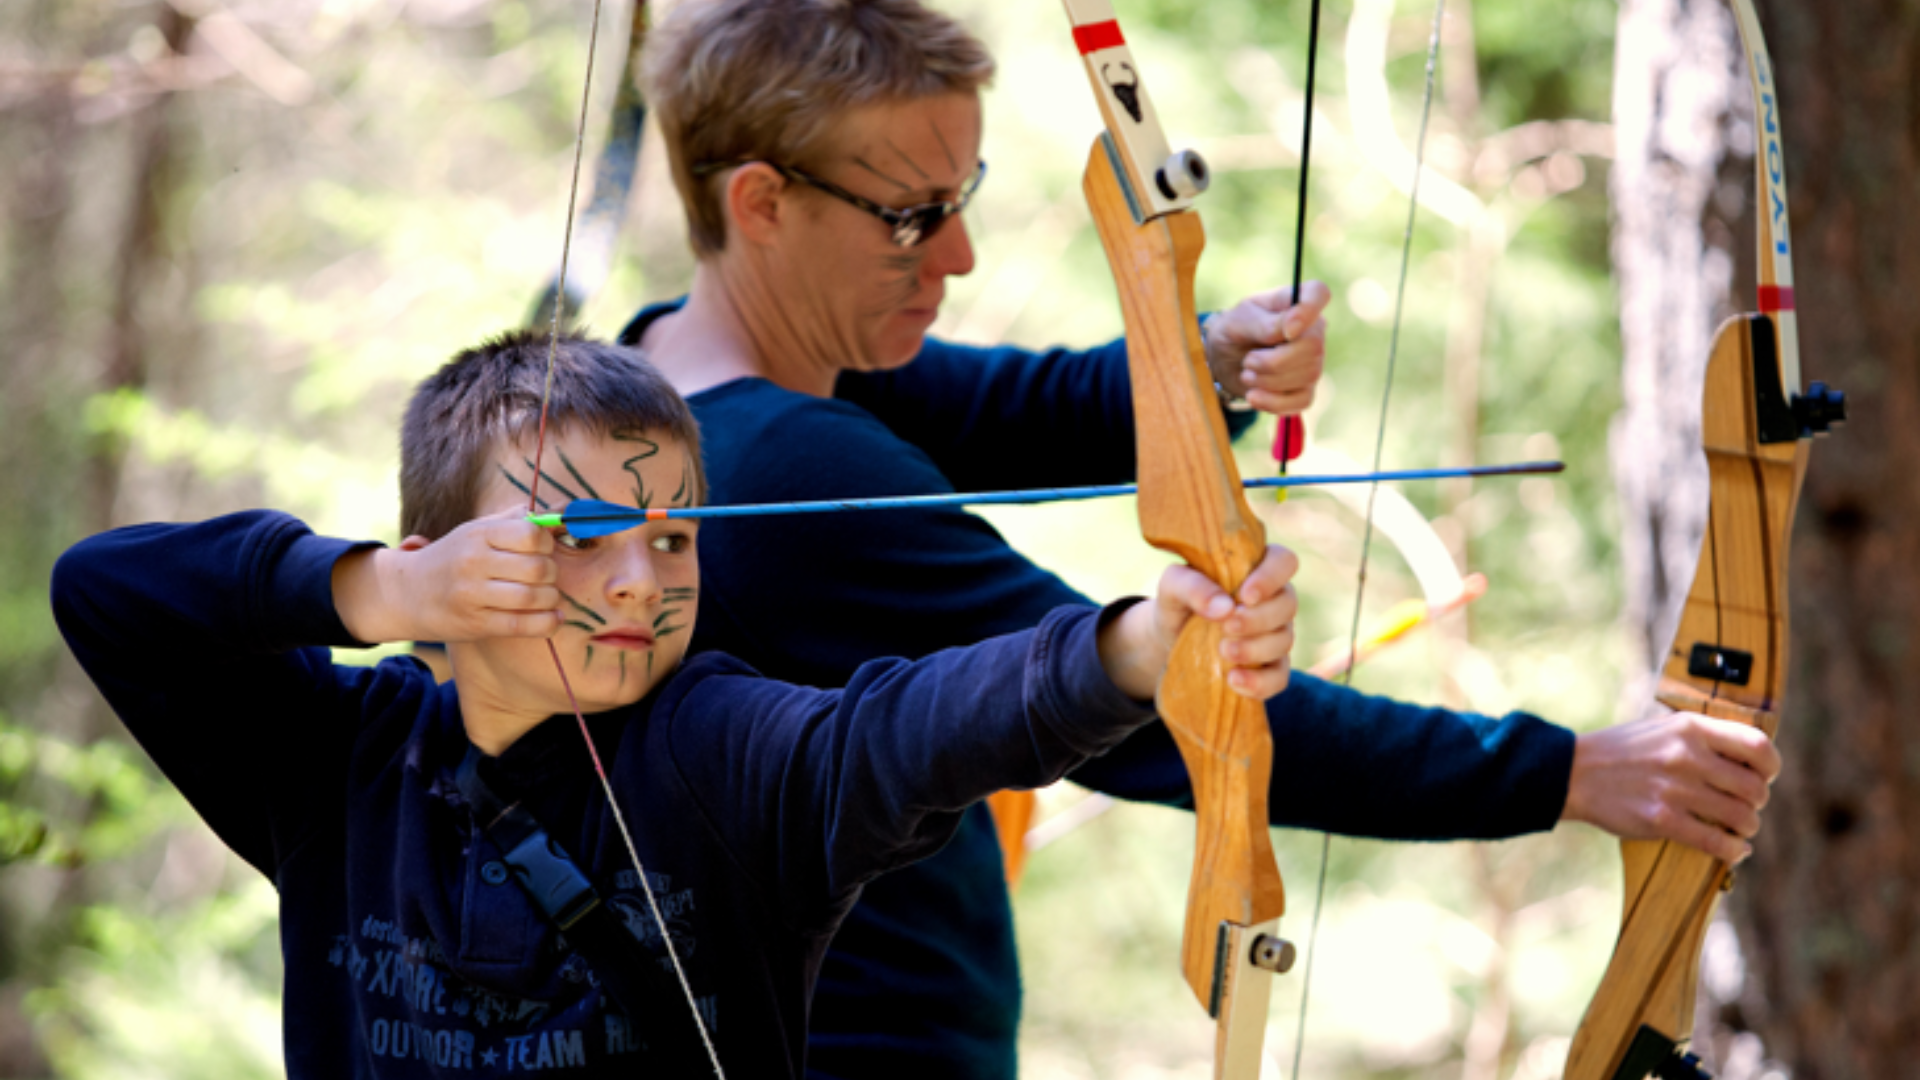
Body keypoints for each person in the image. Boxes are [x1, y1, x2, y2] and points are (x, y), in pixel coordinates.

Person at [617, 1, 1783, 1076]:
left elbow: (1026, 407)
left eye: (962, 196)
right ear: (761, 204)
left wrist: (1209, 360)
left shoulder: (673, 383)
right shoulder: (793, 470)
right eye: (912, 217)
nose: (958, 254)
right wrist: (1577, 773)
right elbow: (1183, 709)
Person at [50, 329, 1305, 1078]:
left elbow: (900, 729)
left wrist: (1141, 649)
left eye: (676, 537)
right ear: (443, 550)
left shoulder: (720, 748)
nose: (644, 581)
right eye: (581, 536)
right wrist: (374, 592)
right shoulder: (340, 761)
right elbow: (105, 591)